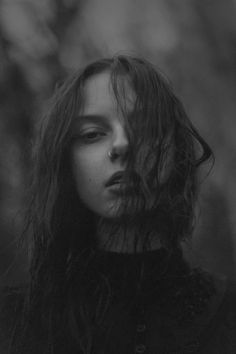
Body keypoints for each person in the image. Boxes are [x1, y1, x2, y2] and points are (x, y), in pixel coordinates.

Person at [1, 55, 236, 353]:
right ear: (66, 164)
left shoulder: (228, 313)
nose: (122, 144)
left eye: (146, 128)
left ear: (176, 153)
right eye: (92, 134)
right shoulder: (12, 324)